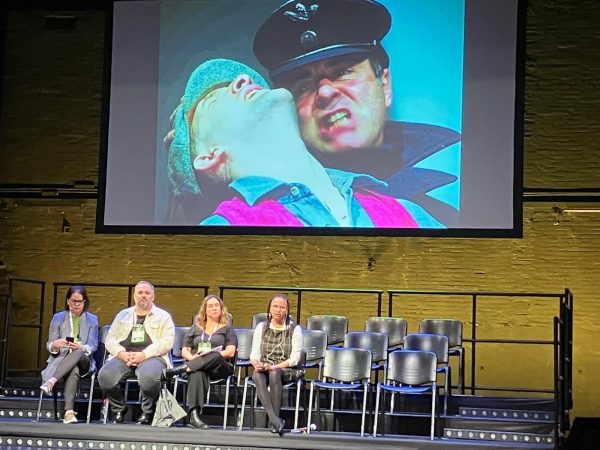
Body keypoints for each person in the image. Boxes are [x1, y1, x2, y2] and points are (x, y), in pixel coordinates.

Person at [252, 0, 461, 226]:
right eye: (303, 87)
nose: (324, 91)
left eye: (342, 72)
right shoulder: (265, 219)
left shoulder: (445, 220)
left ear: (385, 86)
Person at [169, 58, 443, 228]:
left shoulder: (407, 213)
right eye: (215, 100)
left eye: (343, 71)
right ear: (208, 156)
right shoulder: (226, 230)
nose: (243, 79)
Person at [98, 280, 175, 425]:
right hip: (124, 356)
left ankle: (147, 411)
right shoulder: (123, 315)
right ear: (134, 296)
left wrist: (143, 355)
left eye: (147, 293)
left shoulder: (163, 316)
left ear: (153, 296)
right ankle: (119, 408)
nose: (143, 296)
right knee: (105, 376)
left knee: (149, 378)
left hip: (152, 356)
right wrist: (121, 353)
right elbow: (110, 339)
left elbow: (167, 342)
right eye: (140, 292)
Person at [163, 294, 237, 429]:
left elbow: (230, 351)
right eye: (210, 306)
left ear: (221, 309)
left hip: (219, 368)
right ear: (205, 310)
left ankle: (181, 369)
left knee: (214, 355)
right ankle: (194, 415)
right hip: (197, 366)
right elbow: (185, 350)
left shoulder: (227, 328)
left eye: (217, 306)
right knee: (197, 373)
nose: (214, 308)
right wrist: (194, 359)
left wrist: (210, 355)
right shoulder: (195, 328)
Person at [40, 285, 99, 424]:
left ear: (85, 302)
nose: (77, 305)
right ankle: (69, 412)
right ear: (68, 301)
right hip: (62, 360)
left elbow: (93, 345)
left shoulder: (92, 319)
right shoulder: (58, 318)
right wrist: (56, 344)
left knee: (78, 352)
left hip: (84, 360)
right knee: (74, 370)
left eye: (80, 301)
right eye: (73, 301)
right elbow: (50, 344)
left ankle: (51, 381)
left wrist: (81, 347)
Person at [250, 294, 302, 434]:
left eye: (282, 307)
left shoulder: (294, 329)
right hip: (266, 366)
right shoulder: (262, 327)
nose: (278, 310)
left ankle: (274, 421)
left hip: (287, 369)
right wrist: (256, 363)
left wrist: (274, 366)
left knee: (274, 373)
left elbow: (295, 359)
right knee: (257, 374)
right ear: (270, 309)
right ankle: (275, 420)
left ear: (287, 310)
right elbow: (254, 354)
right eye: (275, 306)